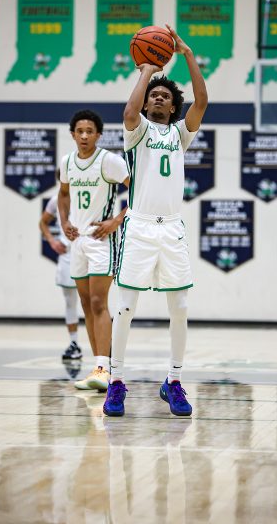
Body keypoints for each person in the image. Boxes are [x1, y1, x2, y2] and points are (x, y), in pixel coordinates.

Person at [103, 24, 208, 418]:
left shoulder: (181, 134)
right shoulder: (139, 131)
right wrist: (146, 70)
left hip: (173, 227)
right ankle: (116, 382)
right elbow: (128, 112)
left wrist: (188, 55)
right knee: (126, 307)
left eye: (166, 96)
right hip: (141, 226)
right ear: (148, 105)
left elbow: (202, 100)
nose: (160, 99)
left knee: (179, 305)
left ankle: (174, 381)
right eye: (154, 96)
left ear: (172, 106)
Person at [58, 109, 129, 390]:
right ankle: (99, 368)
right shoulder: (67, 162)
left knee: (100, 302)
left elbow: (138, 190)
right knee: (87, 305)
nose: (85, 135)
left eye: (90, 131)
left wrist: (116, 221)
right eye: (80, 131)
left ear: (98, 135)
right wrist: (64, 222)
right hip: (78, 241)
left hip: (102, 240)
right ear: (73, 134)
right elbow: (63, 194)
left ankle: (104, 368)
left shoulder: (109, 161)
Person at [39, 172, 81, 362]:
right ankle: (74, 343)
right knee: (70, 301)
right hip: (67, 256)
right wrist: (52, 241)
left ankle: (106, 345)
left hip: (88, 252)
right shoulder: (56, 200)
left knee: (96, 301)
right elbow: (43, 223)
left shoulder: (88, 192)